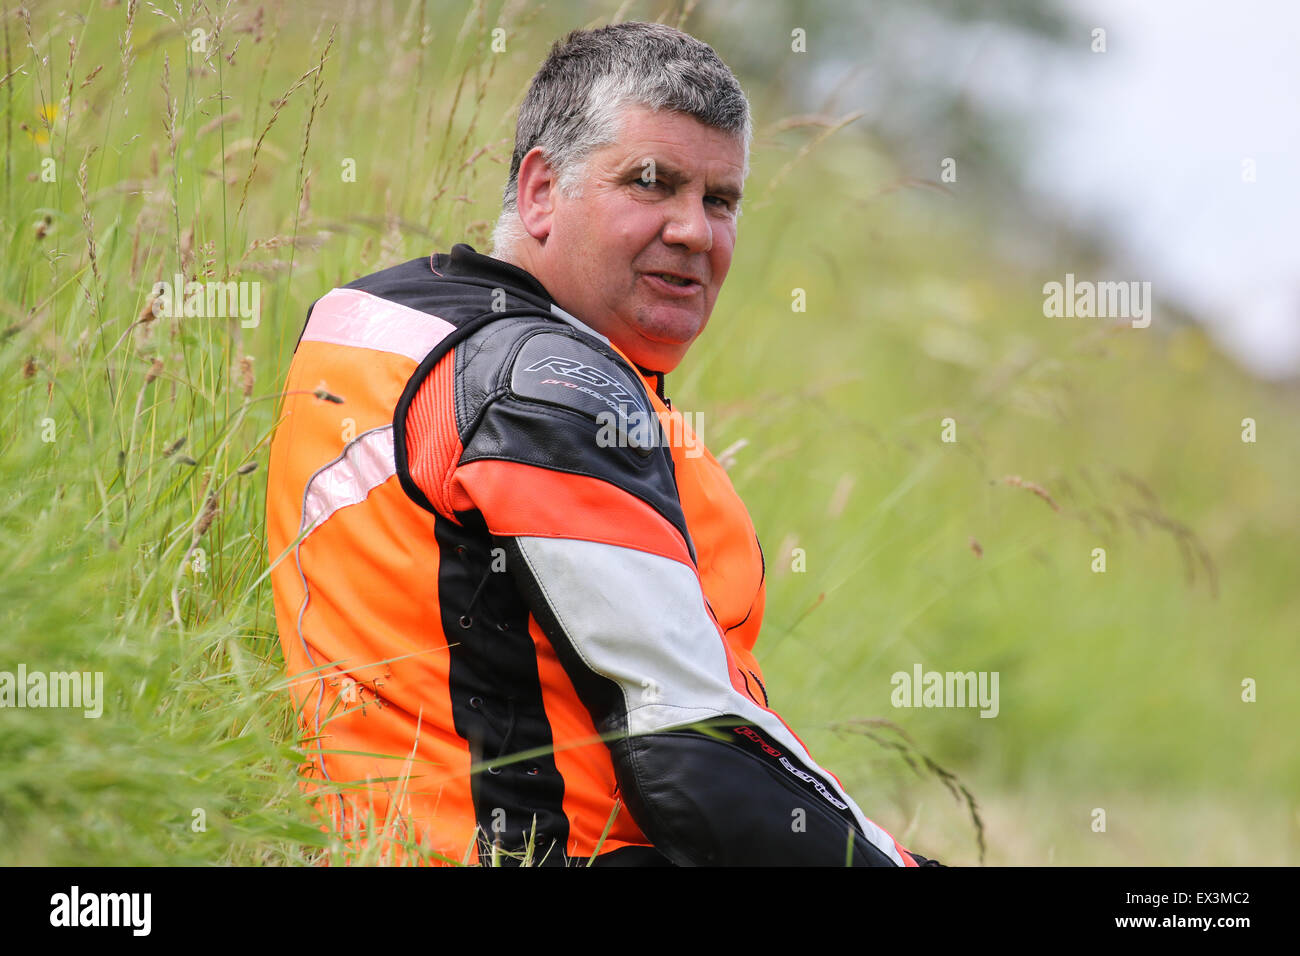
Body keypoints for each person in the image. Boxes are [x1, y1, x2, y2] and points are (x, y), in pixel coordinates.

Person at [266, 21, 938, 866]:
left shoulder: (375, 319)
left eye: (720, 199)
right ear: (541, 191)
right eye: (651, 184)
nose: (695, 230)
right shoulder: (545, 383)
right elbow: (695, 749)